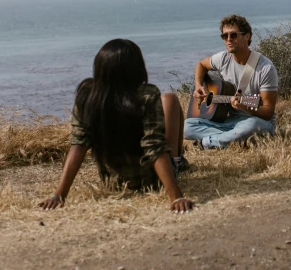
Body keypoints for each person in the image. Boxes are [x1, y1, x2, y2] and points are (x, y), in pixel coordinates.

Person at [38, 39, 195, 213]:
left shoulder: (88, 95)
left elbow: (79, 143)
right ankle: (178, 162)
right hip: (151, 181)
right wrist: (176, 196)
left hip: (112, 182)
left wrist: (59, 194)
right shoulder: (146, 95)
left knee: (167, 100)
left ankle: (177, 162)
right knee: (170, 99)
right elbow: (154, 147)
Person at [184, 14, 278, 149]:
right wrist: (198, 85)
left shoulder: (265, 68)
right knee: (188, 126)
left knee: (250, 126)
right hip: (232, 122)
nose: (228, 39)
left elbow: (268, 112)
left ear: (247, 36)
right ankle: (233, 138)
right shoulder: (223, 58)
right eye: (224, 36)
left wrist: (245, 106)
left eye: (233, 35)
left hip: (257, 121)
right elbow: (201, 65)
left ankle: (206, 142)